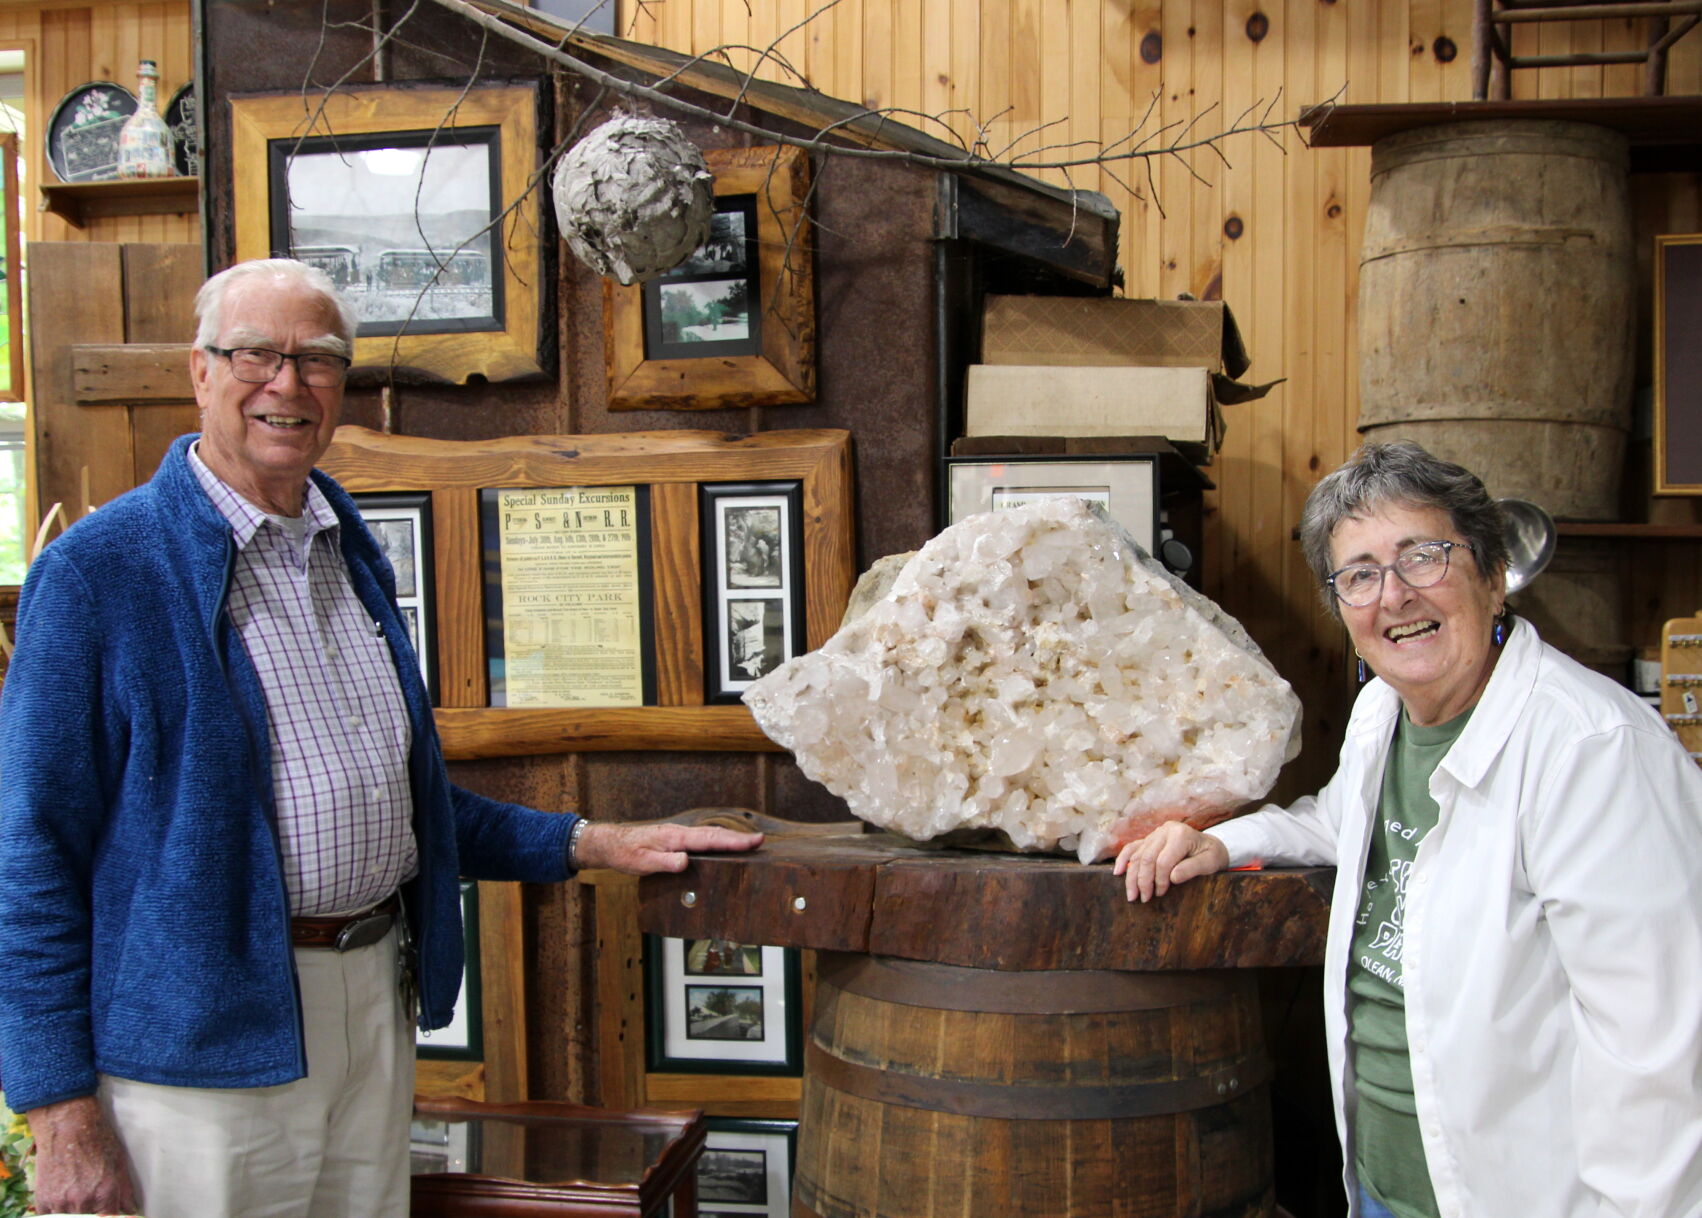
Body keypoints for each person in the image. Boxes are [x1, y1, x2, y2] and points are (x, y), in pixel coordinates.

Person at [0, 258, 762, 1218]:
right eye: (255, 355)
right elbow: (30, 852)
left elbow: (395, 803)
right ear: (200, 371)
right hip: (198, 1049)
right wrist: (58, 1110)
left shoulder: (342, 545)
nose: (287, 383)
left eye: (317, 359)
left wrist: (595, 845)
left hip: (371, 1004)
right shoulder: (99, 573)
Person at [1115, 442, 1702, 1218]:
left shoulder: (1593, 751)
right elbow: (1344, 822)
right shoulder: (1382, 713)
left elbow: (1661, 1058)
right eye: (1359, 574)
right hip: (1386, 1186)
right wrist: (1227, 842)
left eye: (1423, 557)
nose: (1393, 596)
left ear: (1493, 577)